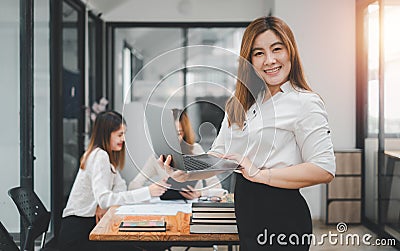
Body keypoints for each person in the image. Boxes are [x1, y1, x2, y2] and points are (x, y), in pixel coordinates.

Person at [160, 16, 335, 250]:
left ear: (290, 51)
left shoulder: (305, 102)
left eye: (277, 49)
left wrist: (260, 174)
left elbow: (324, 168)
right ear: (249, 60)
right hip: (247, 215)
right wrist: (184, 170)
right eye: (259, 53)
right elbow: (219, 157)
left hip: (283, 216)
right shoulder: (240, 104)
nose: (270, 60)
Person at [58, 111, 169, 251]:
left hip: (90, 227)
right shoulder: (100, 156)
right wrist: (148, 191)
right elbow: (105, 198)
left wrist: (101, 204)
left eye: (124, 134)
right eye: (119, 134)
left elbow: (119, 191)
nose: (123, 139)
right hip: (79, 234)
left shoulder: (107, 159)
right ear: (106, 134)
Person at [129, 108, 222, 199]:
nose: (174, 140)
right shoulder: (158, 157)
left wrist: (200, 193)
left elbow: (218, 188)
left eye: (178, 134)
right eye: (170, 134)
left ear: (185, 133)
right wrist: (151, 189)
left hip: (192, 207)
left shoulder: (195, 150)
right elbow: (133, 186)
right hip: (168, 209)